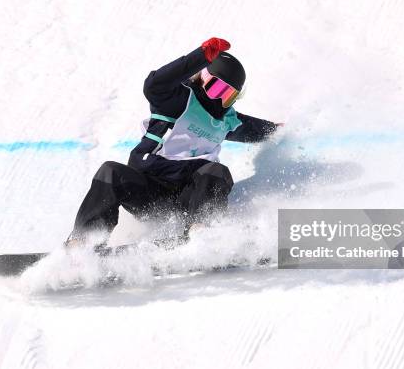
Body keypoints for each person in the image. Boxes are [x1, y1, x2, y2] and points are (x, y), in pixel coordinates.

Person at [66, 37, 281, 247]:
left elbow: (258, 130)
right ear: (203, 78)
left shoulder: (227, 120)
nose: (219, 100)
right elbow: (154, 84)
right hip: (150, 190)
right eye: (216, 89)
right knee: (110, 172)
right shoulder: (177, 100)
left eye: (229, 96)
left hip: (191, 197)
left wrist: (286, 131)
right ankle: (83, 243)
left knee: (217, 171)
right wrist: (201, 56)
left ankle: (203, 232)